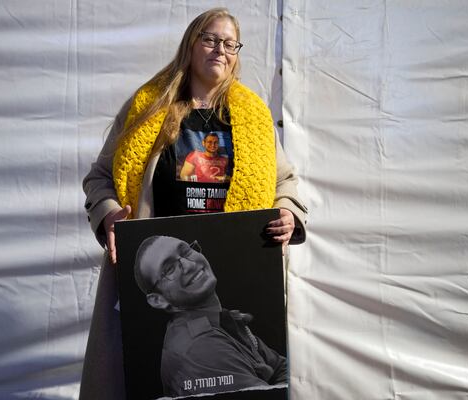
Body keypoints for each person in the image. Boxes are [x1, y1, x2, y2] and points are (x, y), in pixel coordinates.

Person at [80, 7, 307, 399]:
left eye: (230, 43)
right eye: (210, 39)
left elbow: (284, 182)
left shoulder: (253, 116)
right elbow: (99, 177)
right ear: (190, 44)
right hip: (158, 275)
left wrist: (287, 211)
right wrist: (109, 215)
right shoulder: (148, 106)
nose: (220, 49)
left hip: (234, 269)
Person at [134, 236, 287, 397]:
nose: (190, 265)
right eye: (170, 269)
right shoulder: (199, 348)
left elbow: (282, 368)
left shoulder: (222, 320)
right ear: (158, 300)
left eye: (186, 251)